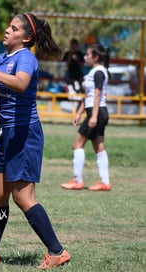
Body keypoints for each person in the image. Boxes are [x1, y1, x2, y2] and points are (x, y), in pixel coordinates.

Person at [0, 13, 71, 270]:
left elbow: (21, 84)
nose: (6, 30)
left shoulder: (26, 58)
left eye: (13, 28)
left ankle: (57, 251)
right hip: (5, 134)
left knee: (23, 198)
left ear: (26, 37)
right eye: (8, 26)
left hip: (24, 133)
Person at [60, 44, 111, 191]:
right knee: (98, 146)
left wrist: (93, 116)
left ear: (95, 57)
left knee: (77, 144)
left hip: (97, 112)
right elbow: (87, 96)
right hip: (94, 112)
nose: (84, 57)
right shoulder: (92, 72)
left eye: (88, 55)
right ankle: (105, 182)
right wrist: (78, 113)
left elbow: (97, 95)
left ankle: (77, 180)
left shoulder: (99, 72)